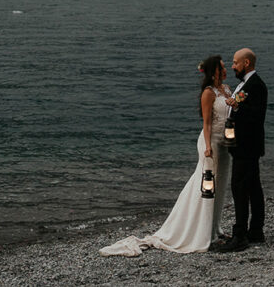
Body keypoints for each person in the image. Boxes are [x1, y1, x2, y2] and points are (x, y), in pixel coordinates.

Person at [98, 55, 233, 256]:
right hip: (211, 142)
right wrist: (207, 146)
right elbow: (206, 123)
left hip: (225, 144)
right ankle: (200, 232)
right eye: (222, 67)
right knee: (207, 185)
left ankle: (214, 228)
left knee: (220, 186)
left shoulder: (227, 89)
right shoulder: (208, 93)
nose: (225, 70)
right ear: (214, 71)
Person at [215, 47, 267, 253]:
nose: (233, 66)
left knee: (240, 188)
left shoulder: (256, 85)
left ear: (246, 63)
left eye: (235, 62)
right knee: (253, 187)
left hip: (247, 146)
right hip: (244, 146)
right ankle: (255, 230)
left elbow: (256, 115)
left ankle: (240, 235)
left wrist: (236, 107)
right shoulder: (244, 85)